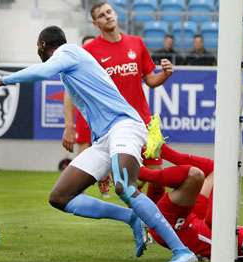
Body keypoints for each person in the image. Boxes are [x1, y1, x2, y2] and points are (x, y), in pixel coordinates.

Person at [0, 26, 197, 262]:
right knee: (60, 197)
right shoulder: (69, 64)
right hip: (104, 138)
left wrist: (2, 80)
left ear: (42, 45)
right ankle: (131, 217)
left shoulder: (69, 51)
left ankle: (182, 251)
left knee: (124, 186)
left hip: (124, 125)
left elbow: (43, 72)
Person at [141, 130, 243, 260]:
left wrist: (222, 189)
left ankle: (138, 168)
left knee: (196, 175)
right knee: (213, 170)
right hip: (187, 223)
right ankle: (158, 152)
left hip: (175, 228)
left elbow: (213, 223)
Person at [67, 1, 171, 204]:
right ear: (95, 23)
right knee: (126, 181)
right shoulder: (89, 51)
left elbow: (150, 80)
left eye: (109, 11)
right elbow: (72, 88)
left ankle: (152, 221)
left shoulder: (137, 43)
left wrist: (165, 74)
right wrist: (69, 125)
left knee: (157, 177)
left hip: (144, 121)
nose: (107, 16)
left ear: (115, 13)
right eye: (102, 15)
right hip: (116, 127)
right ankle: (143, 220)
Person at [63, 35, 112, 198]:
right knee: (84, 146)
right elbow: (69, 93)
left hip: (104, 112)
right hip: (85, 112)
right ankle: (79, 185)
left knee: (107, 147)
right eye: (86, 46)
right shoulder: (76, 67)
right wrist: (69, 125)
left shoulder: (102, 65)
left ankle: (105, 183)